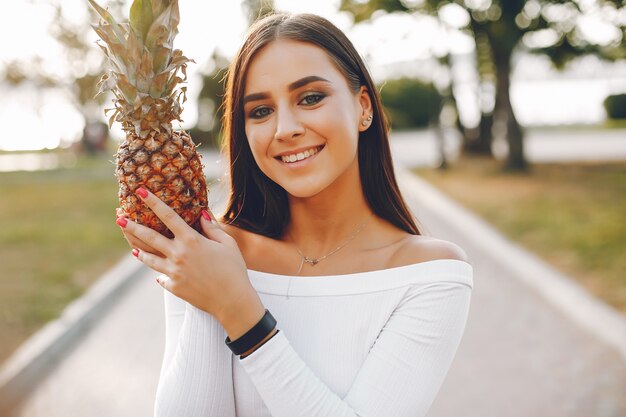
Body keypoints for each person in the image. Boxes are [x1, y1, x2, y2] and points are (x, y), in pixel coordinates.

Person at [116, 12, 473, 417]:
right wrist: (206, 293)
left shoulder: (431, 275)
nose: (285, 128)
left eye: (310, 98)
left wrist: (238, 308)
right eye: (261, 111)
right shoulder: (209, 253)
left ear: (363, 108)